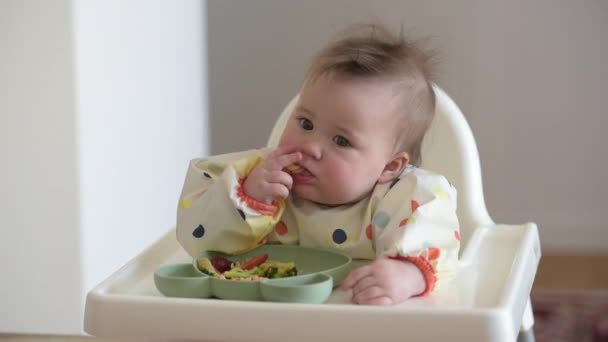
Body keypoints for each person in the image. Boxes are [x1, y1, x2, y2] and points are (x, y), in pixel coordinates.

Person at [176, 24, 460, 306]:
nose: (310, 146)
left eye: (341, 140)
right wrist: (245, 200)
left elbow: (434, 238)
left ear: (389, 167)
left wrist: (407, 273)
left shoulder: (404, 197)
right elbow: (200, 243)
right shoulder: (258, 178)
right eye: (306, 123)